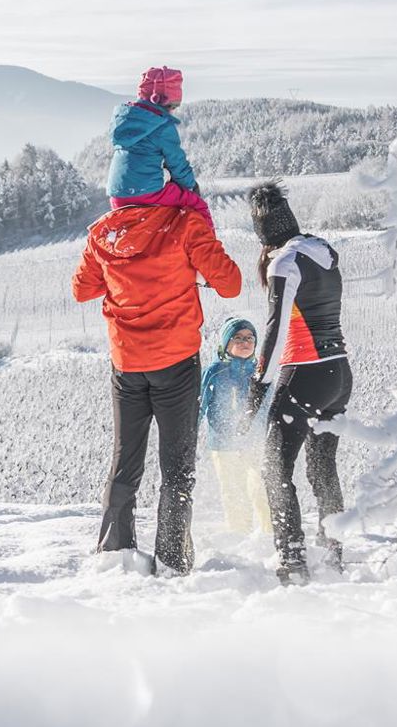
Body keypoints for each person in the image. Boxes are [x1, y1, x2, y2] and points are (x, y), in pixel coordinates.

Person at [73, 198, 241, 575]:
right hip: (176, 362)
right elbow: (230, 284)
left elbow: (82, 289)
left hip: (127, 364)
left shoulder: (103, 233)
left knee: (124, 461)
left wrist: (121, 276)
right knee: (177, 465)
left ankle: (114, 552)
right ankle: (172, 558)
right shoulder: (183, 224)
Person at [245, 181, 351, 586]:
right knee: (323, 468)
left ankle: (292, 560)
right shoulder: (321, 252)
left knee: (275, 469)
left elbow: (273, 330)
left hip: (305, 373)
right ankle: (333, 552)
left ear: (263, 236)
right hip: (340, 374)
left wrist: (259, 383)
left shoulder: (284, 264)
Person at [107, 66, 214, 227]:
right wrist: (191, 185)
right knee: (197, 204)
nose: (172, 112)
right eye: (173, 106)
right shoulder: (162, 126)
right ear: (160, 100)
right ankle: (209, 250)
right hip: (146, 194)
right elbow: (177, 162)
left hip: (116, 197)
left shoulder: (124, 121)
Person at [200, 317, 270, 536]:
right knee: (233, 493)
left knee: (262, 489)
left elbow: (272, 406)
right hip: (223, 445)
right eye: (237, 338)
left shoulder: (261, 372)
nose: (245, 342)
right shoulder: (215, 371)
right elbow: (199, 406)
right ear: (226, 343)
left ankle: (270, 536)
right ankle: (240, 537)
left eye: (250, 338)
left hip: (255, 443)